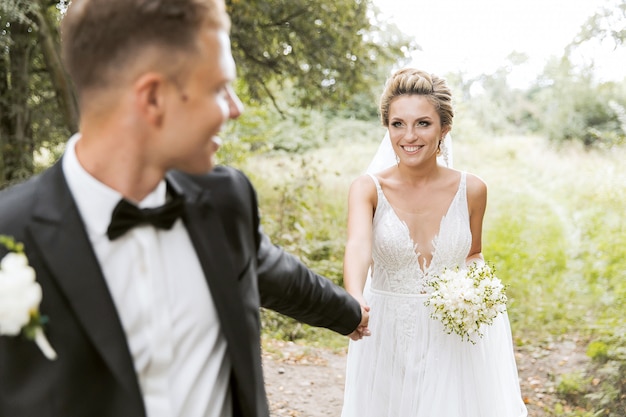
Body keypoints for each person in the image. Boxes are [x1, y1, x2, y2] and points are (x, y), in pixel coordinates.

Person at [0, 0, 369, 416]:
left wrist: (350, 312)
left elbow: (274, 272)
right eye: (218, 88)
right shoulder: (8, 237)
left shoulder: (226, 200)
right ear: (153, 98)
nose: (235, 108)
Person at [341, 68, 527, 417]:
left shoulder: (472, 190)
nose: (409, 136)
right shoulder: (367, 189)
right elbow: (358, 247)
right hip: (387, 332)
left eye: (423, 123)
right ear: (387, 128)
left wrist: (475, 295)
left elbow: (473, 253)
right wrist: (354, 294)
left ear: (444, 128)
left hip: (452, 335)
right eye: (398, 124)